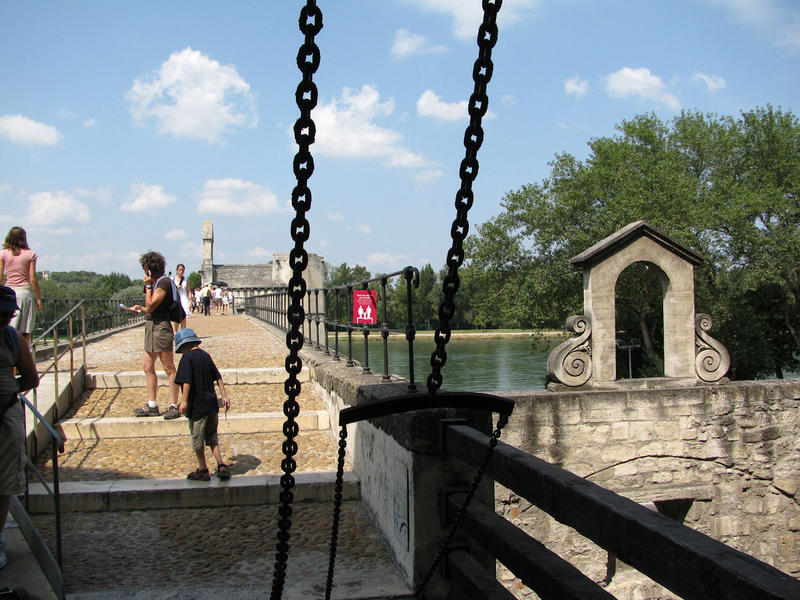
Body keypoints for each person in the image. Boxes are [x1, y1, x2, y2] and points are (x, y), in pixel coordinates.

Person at [0, 286, 39, 570]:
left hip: (5, 413)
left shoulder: (13, 338)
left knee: (5, 482)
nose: (6, 318)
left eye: (8, 314)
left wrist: (8, 391)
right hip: (6, 410)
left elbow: (31, 378)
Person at [173, 328, 231, 481]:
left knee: (197, 440)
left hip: (197, 406)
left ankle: (203, 468)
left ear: (183, 346)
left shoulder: (187, 358)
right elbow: (218, 377)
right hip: (212, 404)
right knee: (212, 436)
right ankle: (221, 464)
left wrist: (184, 401)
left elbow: (186, 381)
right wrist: (224, 396)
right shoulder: (206, 356)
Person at [130, 252, 180, 420]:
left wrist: (148, 287)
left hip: (161, 328)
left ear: (150, 269)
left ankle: (174, 405)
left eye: (145, 269)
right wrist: (141, 309)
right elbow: (150, 308)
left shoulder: (163, 283)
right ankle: (152, 405)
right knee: (147, 365)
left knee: (168, 368)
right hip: (152, 326)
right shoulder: (158, 283)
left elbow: (151, 305)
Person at [0, 227, 43, 343]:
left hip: (9, 294)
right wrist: (38, 298)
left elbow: (0, 277)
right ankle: (24, 351)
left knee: (7, 328)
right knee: (25, 331)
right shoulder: (30, 255)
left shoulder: (3, 254)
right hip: (25, 294)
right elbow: (33, 278)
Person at [173, 264, 191, 330]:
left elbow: (189, 291)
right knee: (176, 318)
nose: (181, 271)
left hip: (184, 299)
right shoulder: (173, 279)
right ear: (177, 270)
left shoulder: (186, 280)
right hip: (176, 299)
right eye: (180, 270)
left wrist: (190, 301)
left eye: (183, 270)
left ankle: (183, 332)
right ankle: (175, 331)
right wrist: (176, 288)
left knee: (184, 317)